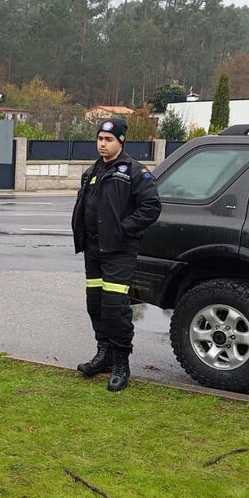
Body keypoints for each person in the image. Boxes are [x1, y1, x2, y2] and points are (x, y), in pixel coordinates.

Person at [72, 117, 161, 392]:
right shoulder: (92, 171)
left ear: (121, 141)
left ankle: (121, 362)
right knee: (95, 304)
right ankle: (104, 354)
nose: (102, 143)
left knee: (115, 307)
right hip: (94, 250)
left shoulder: (135, 171)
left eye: (108, 139)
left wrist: (124, 229)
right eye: (99, 139)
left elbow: (151, 207)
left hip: (118, 251)